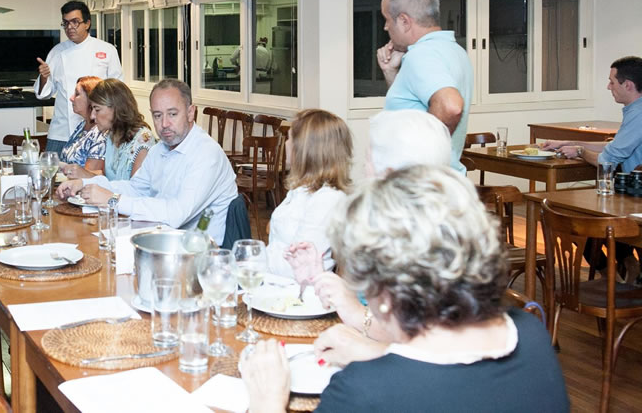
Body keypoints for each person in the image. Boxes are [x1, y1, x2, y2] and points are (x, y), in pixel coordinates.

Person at [243, 166, 570, 413]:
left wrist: (268, 400)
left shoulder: (363, 392)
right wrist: (377, 352)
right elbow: (455, 380)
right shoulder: (531, 335)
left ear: (385, 296)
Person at [287, 108, 454, 344]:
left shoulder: (420, 245)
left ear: (388, 174)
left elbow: (414, 337)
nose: (364, 171)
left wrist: (356, 314)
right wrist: (319, 278)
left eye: (367, 161)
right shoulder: (422, 224)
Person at [56, 79, 237, 244]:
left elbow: (176, 214)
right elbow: (136, 188)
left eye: (172, 114)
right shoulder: (160, 149)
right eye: (157, 115)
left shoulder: (206, 154)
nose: (164, 124)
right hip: (167, 241)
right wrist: (85, 184)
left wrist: (112, 199)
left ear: (191, 113)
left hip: (203, 254)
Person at [376, 0, 473, 171]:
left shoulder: (422, 55)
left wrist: (421, 157)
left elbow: (450, 106)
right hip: (442, 178)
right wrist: (391, 72)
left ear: (404, 21)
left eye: (387, 19)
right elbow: (411, 108)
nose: (386, 27)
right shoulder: (454, 50)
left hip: (421, 181)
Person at [264, 109, 352, 277]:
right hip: (276, 281)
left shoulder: (327, 199)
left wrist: (252, 259)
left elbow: (299, 267)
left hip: (299, 289)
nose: (286, 144)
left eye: (290, 138)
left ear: (305, 149)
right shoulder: (302, 188)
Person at [34, 0, 123, 152]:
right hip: (62, 130)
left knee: (92, 167)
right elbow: (43, 94)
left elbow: (118, 91)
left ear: (87, 23)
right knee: (53, 166)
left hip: (99, 129)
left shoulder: (107, 50)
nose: (69, 27)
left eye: (75, 22)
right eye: (66, 23)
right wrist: (44, 77)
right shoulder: (57, 52)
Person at [542, 55, 642, 170]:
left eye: (612, 82)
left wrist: (580, 152)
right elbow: (614, 147)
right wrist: (569, 144)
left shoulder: (637, 114)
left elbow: (606, 162)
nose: (608, 87)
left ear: (627, 85)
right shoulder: (637, 110)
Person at [63, 79, 155, 181]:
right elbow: (107, 177)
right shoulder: (112, 135)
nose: (92, 116)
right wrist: (81, 173)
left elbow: (135, 188)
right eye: (92, 109)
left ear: (116, 108)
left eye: (97, 109)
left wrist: (85, 176)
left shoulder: (143, 140)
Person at [57, 75, 106, 174]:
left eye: (77, 94)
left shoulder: (101, 132)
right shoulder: (82, 125)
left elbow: (90, 175)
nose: (71, 98)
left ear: (91, 99)